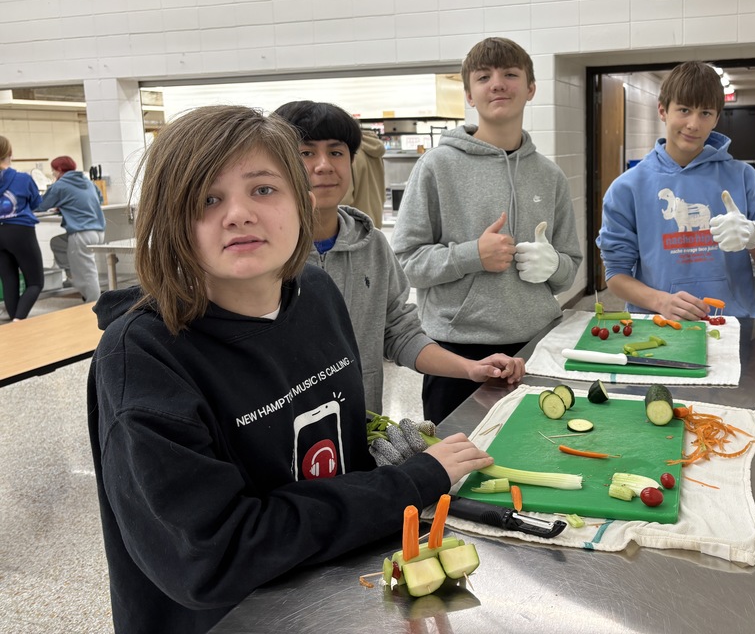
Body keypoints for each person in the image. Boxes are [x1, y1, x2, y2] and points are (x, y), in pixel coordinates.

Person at [87, 106, 494, 634]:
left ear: (299, 203)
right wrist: (406, 483)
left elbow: (315, 443)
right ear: (168, 218)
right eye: (207, 199)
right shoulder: (143, 356)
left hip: (334, 595)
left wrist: (373, 452)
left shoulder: (316, 294)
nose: (238, 214)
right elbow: (214, 555)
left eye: (263, 190)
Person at [273, 100, 525, 418]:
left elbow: (398, 332)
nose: (324, 165)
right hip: (286, 435)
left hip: (359, 425)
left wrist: (471, 368)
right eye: (306, 153)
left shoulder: (372, 246)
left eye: (336, 152)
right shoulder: (265, 254)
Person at [390, 37, 582, 422]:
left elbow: (569, 268)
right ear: (469, 94)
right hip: (455, 352)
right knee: (459, 470)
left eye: (510, 74)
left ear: (530, 89)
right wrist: (471, 256)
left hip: (534, 343)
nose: (498, 83)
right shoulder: (437, 167)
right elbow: (407, 262)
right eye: (484, 77)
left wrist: (554, 266)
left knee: (538, 451)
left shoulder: (550, 175)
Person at [597, 61, 755, 320]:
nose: (693, 124)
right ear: (662, 110)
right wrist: (662, 301)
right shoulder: (627, 188)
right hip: (658, 323)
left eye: (705, 113)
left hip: (730, 323)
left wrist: (754, 239)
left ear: (716, 119)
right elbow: (615, 275)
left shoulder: (744, 179)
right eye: (684, 110)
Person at [38, 155, 105, 302]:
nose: (53, 174)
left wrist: (61, 205)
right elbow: (100, 199)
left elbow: (40, 205)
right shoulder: (88, 182)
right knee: (58, 243)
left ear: (60, 170)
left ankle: (93, 304)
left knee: (87, 272)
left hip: (81, 233)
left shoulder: (60, 185)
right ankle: (72, 275)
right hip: (98, 231)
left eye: (53, 171)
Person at [0, 135, 44, 321]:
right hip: (20, 231)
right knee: (35, 282)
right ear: (10, 153)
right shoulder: (22, 178)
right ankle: (19, 321)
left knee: (9, 280)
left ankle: (14, 323)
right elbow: (36, 202)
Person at [343, 129, 386, 227]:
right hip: (375, 217)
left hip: (356, 223)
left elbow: (344, 199)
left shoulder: (351, 153)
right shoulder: (375, 148)